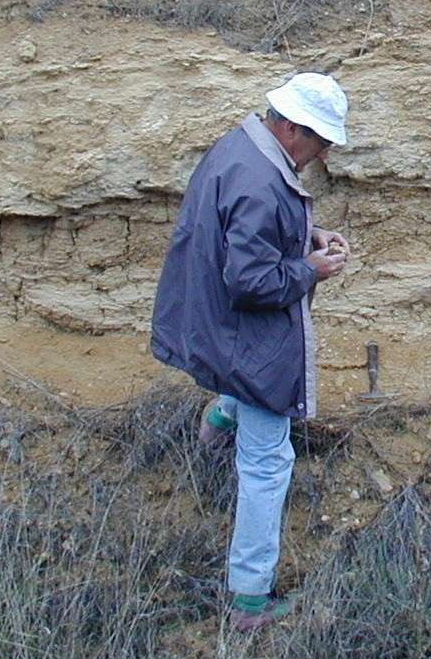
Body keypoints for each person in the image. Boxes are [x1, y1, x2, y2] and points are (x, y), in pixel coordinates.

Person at [150, 72, 351, 630]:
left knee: (253, 415)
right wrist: (309, 269)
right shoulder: (262, 181)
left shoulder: (241, 147)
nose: (323, 154)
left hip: (211, 317)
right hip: (239, 330)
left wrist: (303, 234)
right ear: (291, 128)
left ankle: (222, 412)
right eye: (321, 142)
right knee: (268, 463)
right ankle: (248, 600)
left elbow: (242, 232)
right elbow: (252, 282)